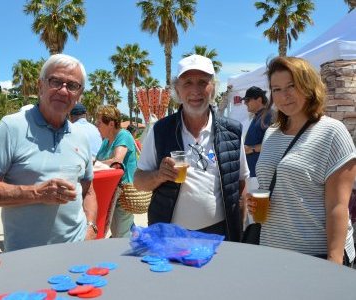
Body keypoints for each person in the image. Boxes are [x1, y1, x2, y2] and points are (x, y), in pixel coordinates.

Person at [0, 54, 98, 251]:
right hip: (26, 257)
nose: (63, 91)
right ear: (40, 86)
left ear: (79, 94)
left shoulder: (80, 135)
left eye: (72, 86)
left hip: (77, 253)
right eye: (56, 81)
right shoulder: (11, 127)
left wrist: (91, 228)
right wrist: (37, 193)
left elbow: (89, 190)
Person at [246, 56, 356, 265]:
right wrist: (255, 203)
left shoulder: (332, 132)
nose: (284, 96)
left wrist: (334, 263)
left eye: (291, 86)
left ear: (308, 86)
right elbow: (274, 187)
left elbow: (337, 206)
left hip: (315, 254)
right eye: (276, 89)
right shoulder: (271, 133)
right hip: (271, 248)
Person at [134, 54, 249, 242]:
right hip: (170, 235)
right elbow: (138, 181)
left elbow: (240, 182)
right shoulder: (160, 130)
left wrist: (239, 229)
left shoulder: (233, 131)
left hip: (219, 234)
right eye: (187, 83)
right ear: (177, 90)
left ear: (213, 88)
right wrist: (159, 175)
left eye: (203, 82)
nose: (195, 90)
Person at [95, 105, 137, 237]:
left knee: (120, 232)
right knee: (119, 229)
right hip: (110, 192)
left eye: (99, 123)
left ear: (111, 124)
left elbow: (117, 161)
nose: (97, 126)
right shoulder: (106, 141)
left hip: (122, 193)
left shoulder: (123, 135)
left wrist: (94, 163)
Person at [242, 86, 273, 189]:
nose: (245, 103)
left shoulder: (268, 115)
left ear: (259, 100)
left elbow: (273, 144)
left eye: (247, 100)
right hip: (254, 174)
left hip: (261, 176)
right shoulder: (258, 116)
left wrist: (251, 149)